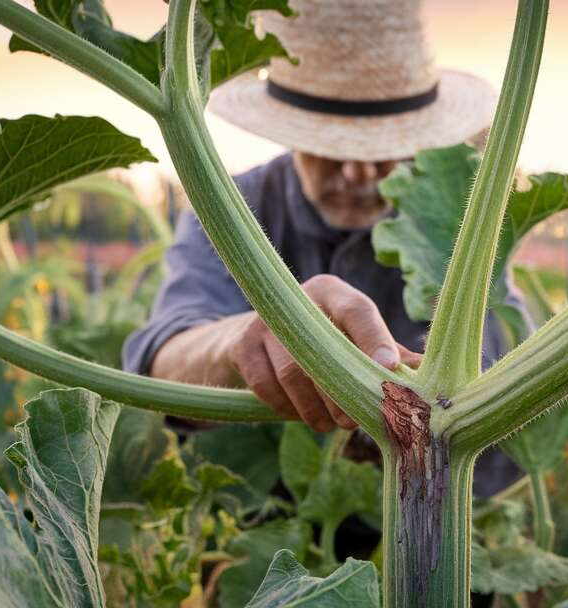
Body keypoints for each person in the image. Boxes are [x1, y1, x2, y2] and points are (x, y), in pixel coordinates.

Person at [122, 0, 521, 494]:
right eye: (333, 146)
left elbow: (500, 376)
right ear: (288, 128)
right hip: (263, 514)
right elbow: (160, 362)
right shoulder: (230, 202)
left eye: (383, 147)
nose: (358, 172)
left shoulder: (456, 215)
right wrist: (243, 341)